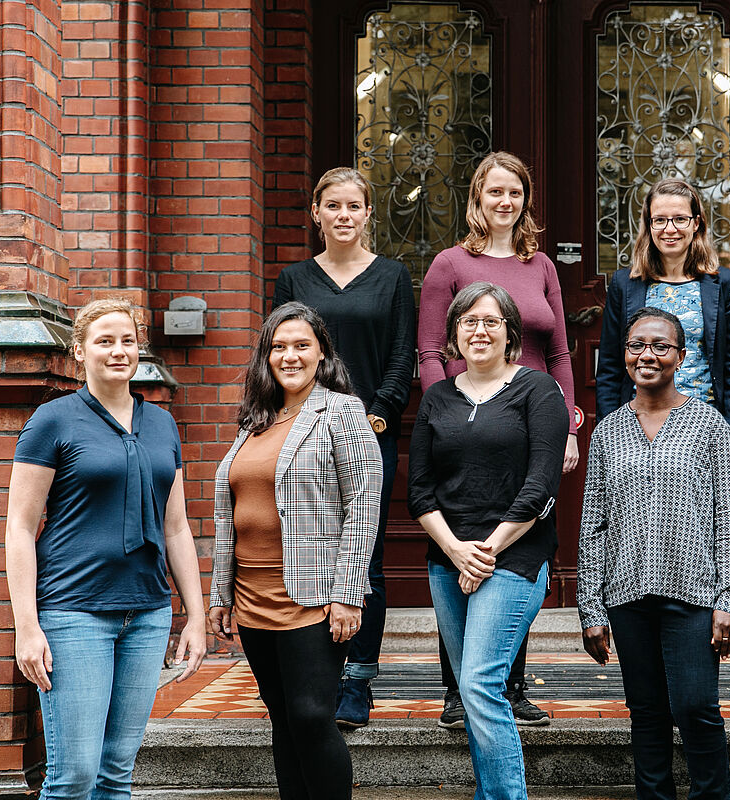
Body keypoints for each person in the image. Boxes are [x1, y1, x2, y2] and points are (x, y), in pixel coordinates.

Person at [5, 298, 207, 800]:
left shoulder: (162, 423)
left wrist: (196, 617)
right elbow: (19, 527)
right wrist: (27, 627)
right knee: (73, 775)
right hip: (73, 614)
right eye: (105, 341)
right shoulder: (52, 421)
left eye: (128, 341)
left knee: (117, 775)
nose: (119, 352)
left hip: (146, 614)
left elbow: (177, 528)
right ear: (79, 352)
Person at [417, 151, 574, 727]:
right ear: (477, 199)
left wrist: (568, 423)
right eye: (494, 192)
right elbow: (431, 350)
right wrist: (451, 413)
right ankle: (459, 690)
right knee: (460, 534)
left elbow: (558, 352)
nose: (504, 202)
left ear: (524, 200)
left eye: (514, 193)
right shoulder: (449, 264)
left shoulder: (542, 267)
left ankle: (509, 683)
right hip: (468, 419)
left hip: (532, 421)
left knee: (519, 542)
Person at [209, 302, 383, 800]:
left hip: (312, 597)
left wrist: (350, 592)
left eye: (301, 345)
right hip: (252, 595)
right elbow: (232, 513)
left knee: (310, 714)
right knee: (283, 718)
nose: (289, 356)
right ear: (265, 356)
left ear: (322, 352)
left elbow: (364, 504)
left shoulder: (342, 410)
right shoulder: (255, 420)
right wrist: (221, 593)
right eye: (278, 347)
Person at [579, 307, 730, 800]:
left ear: (681, 355)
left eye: (660, 346)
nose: (647, 355)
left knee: (696, 706)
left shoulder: (708, 424)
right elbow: (593, 524)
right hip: (626, 594)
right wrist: (591, 608)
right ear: (624, 354)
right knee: (647, 712)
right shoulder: (608, 431)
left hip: (694, 593)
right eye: (636, 345)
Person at [408, 282, 568, 799]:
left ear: (510, 334)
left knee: (478, 683)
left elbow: (541, 484)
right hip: (447, 558)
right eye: (468, 321)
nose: (479, 330)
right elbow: (419, 490)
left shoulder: (539, 390)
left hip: (515, 554)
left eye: (491, 321)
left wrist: (487, 550)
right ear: (453, 333)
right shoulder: (437, 397)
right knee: (476, 689)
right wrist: (456, 550)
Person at [272, 166, 416, 727]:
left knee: (366, 562)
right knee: (311, 552)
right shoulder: (295, 279)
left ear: (368, 215)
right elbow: (282, 351)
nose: (343, 216)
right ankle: (318, 674)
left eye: (354, 206)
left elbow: (402, 358)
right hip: (304, 436)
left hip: (368, 436)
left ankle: (358, 680)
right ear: (317, 214)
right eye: (333, 206)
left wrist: (374, 418)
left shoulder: (392, 277)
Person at [595, 178, 730, 457]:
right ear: (649, 224)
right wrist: (611, 434)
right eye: (660, 220)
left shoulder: (725, 284)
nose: (670, 229)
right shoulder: (625, 284)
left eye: (680, 219)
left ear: (696, 223)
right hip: (636, 425)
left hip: (703, 425)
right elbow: (609, 368)